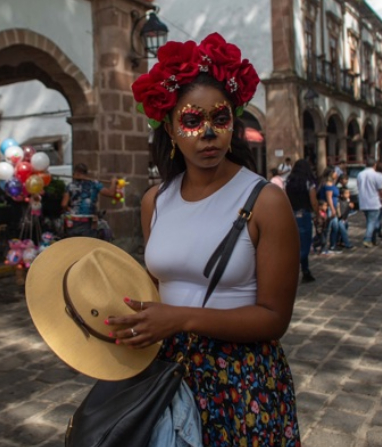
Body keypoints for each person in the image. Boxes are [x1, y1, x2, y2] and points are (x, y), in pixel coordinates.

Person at [119, 33, 301, 445]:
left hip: (241, 381)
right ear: (169, 126)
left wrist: (180, 319)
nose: (208, 133)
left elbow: (275, 317)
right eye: (191, 120)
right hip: (167, 375)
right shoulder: (155, 202)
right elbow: (156, 286)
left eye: (220, 119)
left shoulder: (265, 201)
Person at [60, 163, 118, 237]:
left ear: (75, 173)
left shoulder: (70, 186)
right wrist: (113, 182)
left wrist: (70, 210)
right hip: (88, 222)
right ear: (86, 173)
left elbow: (64, 204)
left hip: (73, 221)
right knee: (88, 245)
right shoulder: (94, 183)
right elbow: (111, 193)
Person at [286, 159, 319, 283]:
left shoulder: (288, 182)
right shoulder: (308, 183)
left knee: (295, 244)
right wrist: (318, 214)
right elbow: (313, 201)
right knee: (304, 245)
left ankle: (306, 271)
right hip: (304, 214)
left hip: (291, 214)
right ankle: (288, 271)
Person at [357, 158, 382, 247]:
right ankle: (367, 238)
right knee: (372, 222)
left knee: (370, 221)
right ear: (374, 165)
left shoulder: (360, 174)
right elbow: (381, 190)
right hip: (373, 201)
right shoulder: (376, 175)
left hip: (363, 201)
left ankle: (372, 239)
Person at [317, 167, 341, 254]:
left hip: (332, 207)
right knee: (327, 228)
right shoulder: (328, 185)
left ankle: (332, 245)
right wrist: (332, 209)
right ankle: (323, 246)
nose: (336, 174)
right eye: (335, 173)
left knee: (335, 227)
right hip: (329, 208)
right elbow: (329, 197)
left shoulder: (332, 183)